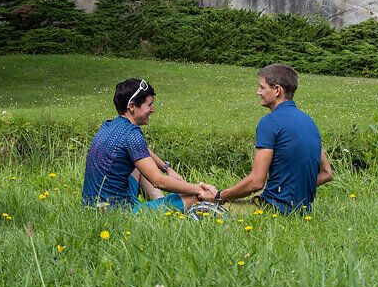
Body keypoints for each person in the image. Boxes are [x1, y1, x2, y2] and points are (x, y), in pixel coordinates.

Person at [82, 77, 217, 212]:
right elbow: (158, 181)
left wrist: (167, 168)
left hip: (91, 206)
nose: (153, 110)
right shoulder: (132, 134)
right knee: (195, 197)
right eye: (149, 105)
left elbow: (142, 151)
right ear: (132, 106)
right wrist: (198, 189)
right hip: (117, 213)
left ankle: (159, 203)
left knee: (139, 165)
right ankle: (161, 211)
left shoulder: (109, 125)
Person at [216, 63, 333, 214]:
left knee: (202, 209)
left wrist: (220, 196)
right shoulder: (309, 122)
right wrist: (292, 190)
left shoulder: (270, 122)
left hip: (274, 209)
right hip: (302, 211)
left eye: (262, 87)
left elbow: (256, 182)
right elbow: (327, 173)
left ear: (277, 90)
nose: (258, 92)